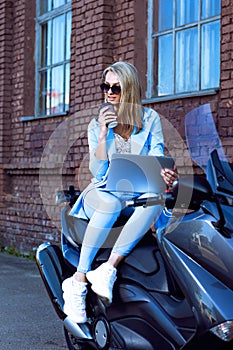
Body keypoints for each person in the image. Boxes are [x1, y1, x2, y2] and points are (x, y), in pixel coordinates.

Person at [62, 61, 177, 323]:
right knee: (111, 203)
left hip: (135, 196)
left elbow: (157, 158)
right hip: (101, 192)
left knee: (157, 202)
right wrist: (104, 134)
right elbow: (99, 171)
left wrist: (164, 173)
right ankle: (78, 280)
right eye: (106, 87)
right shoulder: (96, 124)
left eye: (116, 87)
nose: (110, 93)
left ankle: (108, 269)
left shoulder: (150, 119)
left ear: (130, 90)